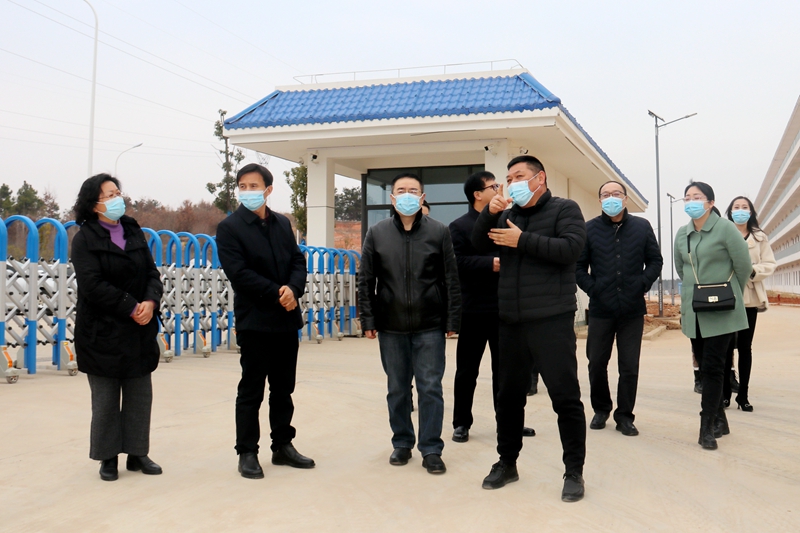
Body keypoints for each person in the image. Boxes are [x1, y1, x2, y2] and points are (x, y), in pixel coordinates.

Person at [472, 155, 588, 502]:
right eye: (508, 179)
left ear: (540, 178)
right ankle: (507, 463)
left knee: (564, 398)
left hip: (552, 320)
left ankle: (573, 471)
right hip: (511, 320)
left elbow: (571, 250)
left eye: (519, 176)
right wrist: (489, 213)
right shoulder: (507, 215)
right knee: (508, 398)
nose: (512, 183)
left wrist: (522, 240)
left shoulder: (565, 209)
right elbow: (478, 243)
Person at [216, 163, 315, 479]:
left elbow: (297, 260)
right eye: (242, 186)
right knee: (252, 389)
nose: (248, 191)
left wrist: (293, 289)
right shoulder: (229, 228)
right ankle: (247, 452)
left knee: (283, 388)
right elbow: (239, 273)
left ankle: (282, 445)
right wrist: (277, 293)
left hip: (286, 319)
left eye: (254, 186)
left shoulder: (282, 223)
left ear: (268, 189)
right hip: (255, 320)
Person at [358, 172, 461, 475]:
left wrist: (452, 319)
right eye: (401, 190)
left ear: (422, 197)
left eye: (412, 190)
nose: (406, 195)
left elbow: (451, 279)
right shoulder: (377, 233)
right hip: (391, 325)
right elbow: (366, 280)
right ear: (392, 198)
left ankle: (431, 448)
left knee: (430, 388)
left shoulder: (439, 232)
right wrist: (368, 318)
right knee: (398, 389)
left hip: (430, 325)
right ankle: (402, 442)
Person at [71, 174, 164, 482]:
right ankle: (107, 457)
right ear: (93, 204)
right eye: (109, 195)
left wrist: (150, 302)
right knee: (106, 400)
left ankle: (138, 453)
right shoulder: (84, 239)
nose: (117, 199)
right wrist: (131, 306)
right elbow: (92, 285)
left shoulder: (133, 231)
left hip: (139, 329)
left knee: (140, 395)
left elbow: (152, 273)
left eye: (117, 192)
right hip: (101, 331)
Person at [449, 171, 535, 443]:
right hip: (473, 310)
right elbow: (456, 262)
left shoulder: (507, 221)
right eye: (494, 185)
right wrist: (491, 264)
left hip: (504, 308)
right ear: (477, 194)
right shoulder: (458, 226)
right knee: (467, 371)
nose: (500, 189)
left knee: (506, 372)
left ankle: (509, 422)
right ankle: (461, 423)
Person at [576, 181, 662, 436]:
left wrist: (642, 284)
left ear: (625, 199)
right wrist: (594, 289)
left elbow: (655, 261)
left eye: (616, 194)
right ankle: (601, 409)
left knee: (629, 366)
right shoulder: (589, 229)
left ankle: (624, 416)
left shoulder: (641, 227)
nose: (610, 198)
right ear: (599, 200)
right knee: (596, 363)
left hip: (632, 310)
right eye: (605, 194)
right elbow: (578, 267)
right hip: (601, 309)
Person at [674, 182, 751, 450]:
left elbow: (743, 266)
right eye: (687, 198)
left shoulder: (726, 229)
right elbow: (681, 269)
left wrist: (729, 294)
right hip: (695, 310)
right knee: (705, 368)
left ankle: (706, 426)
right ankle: (721, 420)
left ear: (710, 202)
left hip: (722, 310)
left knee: (715, 368)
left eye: (697, 197)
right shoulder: (682, 233)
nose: (691, 201)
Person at [721, 196, 776, 411]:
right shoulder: (722, 233)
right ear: (730, 211)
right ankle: (725, 393)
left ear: (751, 212)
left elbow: (769, 263)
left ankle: (743, 395)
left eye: (745, 207)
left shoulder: (760, 237)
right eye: (736, 207)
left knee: (745, 347)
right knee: (726, 348)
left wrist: (751, 271)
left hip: (750, 297)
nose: (740, 210)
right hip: (727, 295)